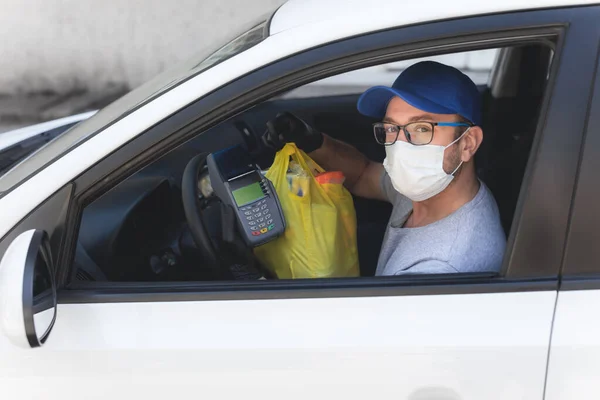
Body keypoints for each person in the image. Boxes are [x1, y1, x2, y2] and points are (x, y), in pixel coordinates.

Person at [262, 61, 506, 276]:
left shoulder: (439, 269)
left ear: (468, 143)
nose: (401, 146)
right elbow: (363, 174)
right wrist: (313, 141)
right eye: (391, 128)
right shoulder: (431, 188)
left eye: (421, 129)